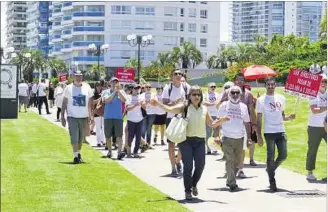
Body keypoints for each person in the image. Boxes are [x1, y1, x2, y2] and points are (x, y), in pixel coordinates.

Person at [151, 85, 229, 200]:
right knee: (188, 167)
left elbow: (211, 124)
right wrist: (158, 104)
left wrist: (221, 120)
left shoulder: (204, 108)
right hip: (186, 141)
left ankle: (193, 185)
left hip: (200, 142)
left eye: (198, 94)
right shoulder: (185, 107)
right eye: (194, 94)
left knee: (200, 166)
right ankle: (187, 191)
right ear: (190, 96)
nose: (196, 96)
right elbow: (170, 110)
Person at [256, 77, 296, 192]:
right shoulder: (261, 100)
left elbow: (282, 115)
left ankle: (270, 169)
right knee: (270, 156)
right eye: (268, 84)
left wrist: (289, 117)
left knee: (283, 155)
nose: (270, 86)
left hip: (280, 130)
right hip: (269, 132)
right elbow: (259, 119)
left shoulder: (281, 98)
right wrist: (258, 136)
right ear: (265, 86)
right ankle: (272, 181)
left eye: (272, 84)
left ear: (275, 85)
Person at [220, 74, 257, 179]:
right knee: (229, 150)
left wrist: (253, 124)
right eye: (238, 80)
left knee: (242, 150)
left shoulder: (248, 94)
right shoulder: (227, 92)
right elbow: (221, 104)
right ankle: (230, 169)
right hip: (229, 125)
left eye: (242, 80)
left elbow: (251, 110)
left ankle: (240, 169)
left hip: (243, 125)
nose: (240, 82)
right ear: (234, 81)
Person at [217, 86, 251, 191]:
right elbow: (218, 121)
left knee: (237, 162)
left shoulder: (243, 107)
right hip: (227, 137)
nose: (235, 95)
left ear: (240, 94)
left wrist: (249, 137)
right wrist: (217, 135)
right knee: (229, 160)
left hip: (240, 138)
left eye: (237, 93)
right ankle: (231, 183)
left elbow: (246, 123)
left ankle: (230, 178)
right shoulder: (224, 105)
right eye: (233, 93)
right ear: (229, 94)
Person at [61, 70, 94, 164]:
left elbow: (90, 102)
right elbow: (64, 102)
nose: (79, 78)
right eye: (77, 76)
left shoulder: (87, 87)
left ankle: (78, 153)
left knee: (81, 138)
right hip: (72, 116)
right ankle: (75, 156)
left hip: (84, 117)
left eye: (80, 76)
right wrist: (62, 116)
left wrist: (91, 115)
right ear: (73, 77)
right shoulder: (68, 88)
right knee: (74, 137)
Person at [162, 69, 191, 176]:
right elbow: (164, 103)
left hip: (182, 118)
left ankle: (178, 161)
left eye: (180, 74)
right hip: (170, 118)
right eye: (176, 74)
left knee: (183, 144)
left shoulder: (186, 87)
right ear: (172, 77)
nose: (178, 75)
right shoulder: (167, 88)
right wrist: (176, 102)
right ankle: (173, 168)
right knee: (171, 145)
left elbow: (191, 101)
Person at [306, 74, 327, 181]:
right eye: (322, 81)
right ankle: (310, 172)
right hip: (314, 126)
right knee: (312, 150)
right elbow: (315, 110)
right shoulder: (313, 94)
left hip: (327, 126)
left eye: (325, 81)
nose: (323, 83)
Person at [102, 77, 126, 160]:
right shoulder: (106, 92)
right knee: (108, 136)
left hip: (118, 117)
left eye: (116, 82)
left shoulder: (121, 92)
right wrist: (114, 92)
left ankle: (119, 152)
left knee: (119, 135)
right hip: (108, 117)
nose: (115, 83)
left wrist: (118, 91)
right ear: (110, 83)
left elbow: (124, 100)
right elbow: (107, 100)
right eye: (113, 82)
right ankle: (109, 151)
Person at [125, 84, 146, 158]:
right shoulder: (128, 97)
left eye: (138, 88)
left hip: (139, 119)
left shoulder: (141, 96)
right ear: (132, 89)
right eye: (135, 88)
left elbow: (145, 107)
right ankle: (128, 150)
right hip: (131, 119)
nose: (137, 90)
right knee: (130, 136)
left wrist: (143, 104)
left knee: (138, 137)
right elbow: (127, 108)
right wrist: (135, 105)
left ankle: (136, 152)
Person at [203, 82, 221, 154]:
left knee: (216, 133)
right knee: (208, 133)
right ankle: (208, 148)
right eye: (211, 86)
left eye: (214, 86)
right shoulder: (205, 94)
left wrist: (211, 104)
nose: (213, 88)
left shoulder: (217, 94)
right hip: (208, 115)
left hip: (217, 115)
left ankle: (215, 147)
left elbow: (219, 102)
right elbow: (203, 102)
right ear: (208, 87)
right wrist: (212, 104)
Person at [93, 82, 106, 147]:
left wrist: (103, 96)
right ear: (95, 87)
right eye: (97, 86)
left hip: (103, 112)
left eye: (100, 86)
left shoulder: (104, 93)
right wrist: (101, 98)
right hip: (96, 112)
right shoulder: (93, 94)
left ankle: (103, 140)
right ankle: (98, 141)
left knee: (103, 127)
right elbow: (93, 102)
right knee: (98, 127)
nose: (99, 87)